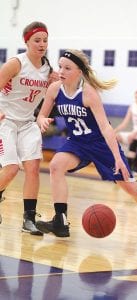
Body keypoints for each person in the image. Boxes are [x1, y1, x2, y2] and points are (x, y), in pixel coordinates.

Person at [35, 49, 137, 241]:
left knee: (129, 186)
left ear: (79, 72)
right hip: (77, 142)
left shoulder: (89, 94)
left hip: (101, 144)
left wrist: (118, 157)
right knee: (56, 165)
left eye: (67, 68)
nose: (61, 70)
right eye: (60, 66)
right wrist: (42, 120)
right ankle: (60, 221)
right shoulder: (54, 89)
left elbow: (106, 128)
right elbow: (42, 114)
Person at [0, 21, 57, 234]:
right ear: (27, 41)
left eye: (45, 40)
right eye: (37, 40)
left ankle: (29, 219)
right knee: (12, 169)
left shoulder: (48, 70)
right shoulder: (16, 63)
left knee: (33, 168)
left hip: (27, 123)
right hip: (5, 121)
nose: (42, 44)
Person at [114, 89, 137, 172]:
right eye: (136, 97)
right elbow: (125, 122)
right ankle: (122, 160)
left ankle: (132, 165)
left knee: (132, 139)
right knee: (116, 137)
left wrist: (134, 133)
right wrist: (114, 130)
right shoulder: (132, 106)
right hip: (134, 133)